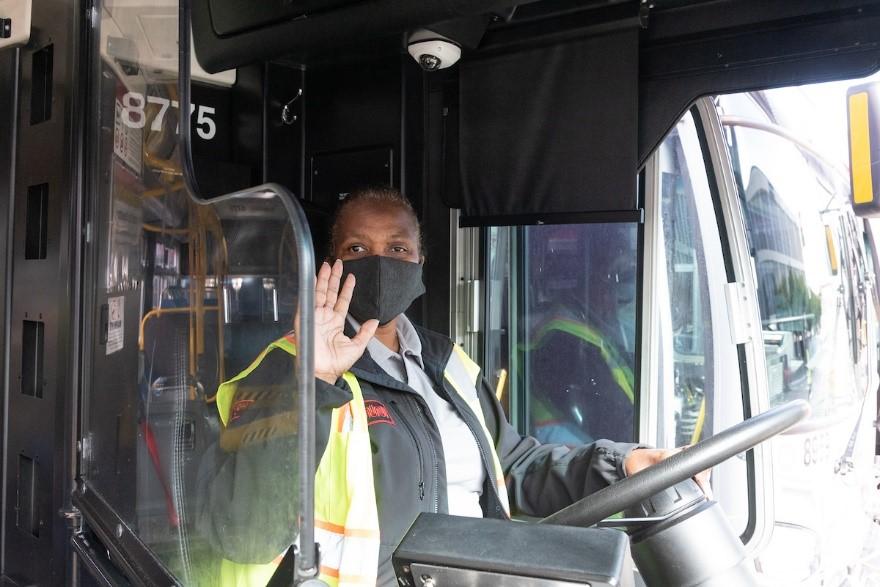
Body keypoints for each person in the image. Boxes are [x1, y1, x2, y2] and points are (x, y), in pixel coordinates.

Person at [200, 188, 707, 587]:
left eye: (397, 249)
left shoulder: (448, 362)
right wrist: (315, 379)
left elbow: (515, 467)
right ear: (329, 264)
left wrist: (622, 464)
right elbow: (242, 533)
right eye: (357, 248)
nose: (379, 262)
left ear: (419, 264)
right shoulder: (286, 369)